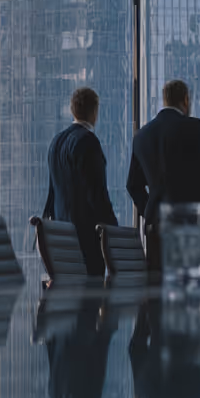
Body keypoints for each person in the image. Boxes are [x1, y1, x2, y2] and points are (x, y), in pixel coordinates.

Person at [127, 80, 200, 270]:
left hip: (154, 226)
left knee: (156, 279)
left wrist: (151, 211)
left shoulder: (141, 135)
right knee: (186, 280)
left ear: (164, 100)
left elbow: (133, 185)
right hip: (186, 224)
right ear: (186, 100)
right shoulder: (194, 127)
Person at [43, 87, 120, 277]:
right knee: (91, 292)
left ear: (73, 110)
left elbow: (52, 194)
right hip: (85, 241)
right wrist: (115, 233)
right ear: (95, 111)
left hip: (61, 239)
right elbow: (97, 195)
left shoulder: (55, 143)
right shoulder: (88, 142)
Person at [43, 294, 117, 398]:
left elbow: (100, 351)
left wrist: (110, 323)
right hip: (59, 315)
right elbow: (51, 350)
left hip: (85, 314)